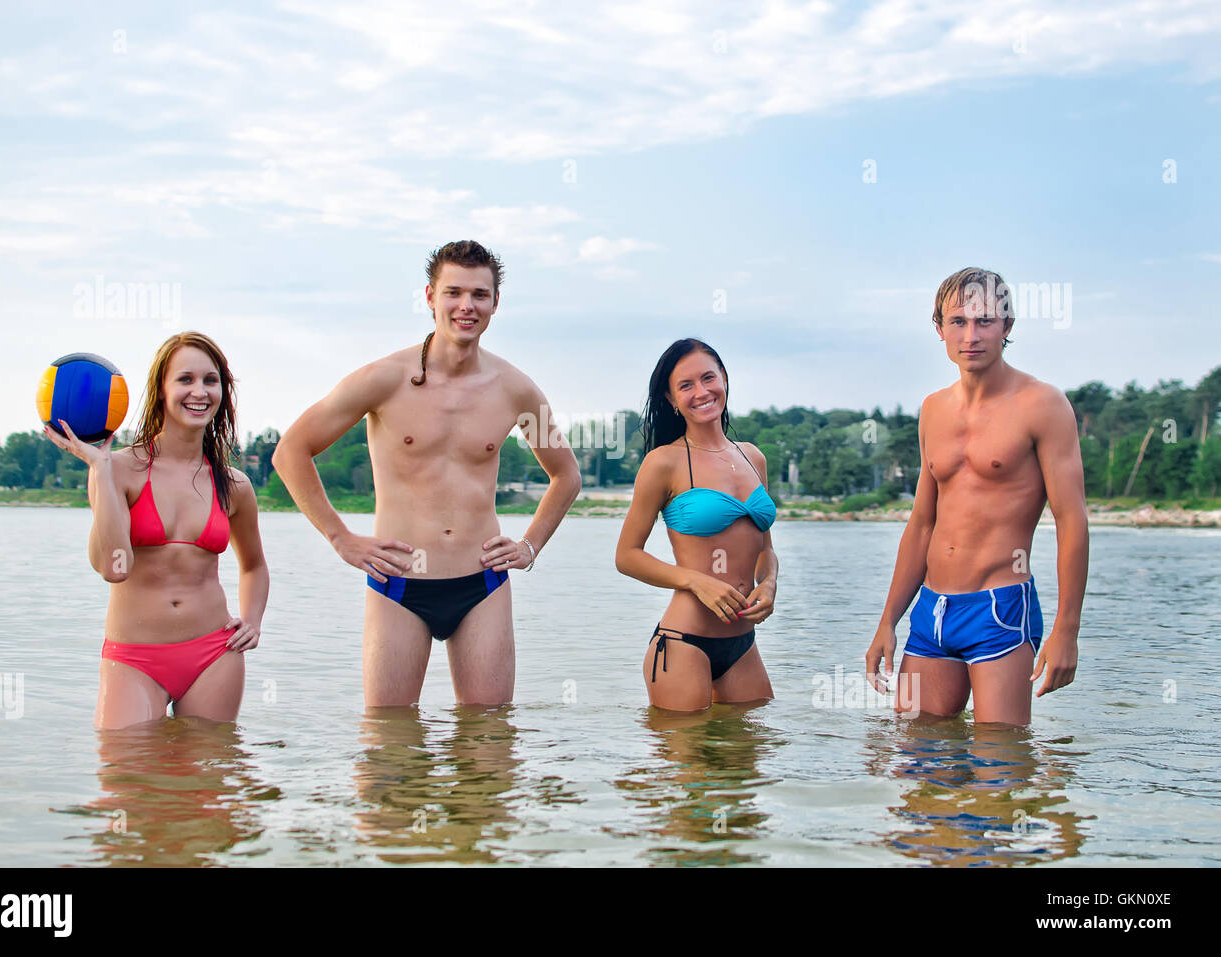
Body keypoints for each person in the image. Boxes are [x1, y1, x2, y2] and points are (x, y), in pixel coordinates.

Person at [272, 240, 580, 708]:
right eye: (454, 292)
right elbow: (291, 451)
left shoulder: (515, 390)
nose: (466, 306)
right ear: (430, 297)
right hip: (398, 584)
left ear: (495, 303)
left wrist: (529, 545)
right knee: (388, 750)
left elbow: (566, 475)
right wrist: (341, 538)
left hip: (482, 585)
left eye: (480, 294)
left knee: (487, 745)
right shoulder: (384, 379)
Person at [865, 268, 1088, 725]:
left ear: (1007, 326)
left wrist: (1067, 628)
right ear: (939, 328)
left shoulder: (1042, 404)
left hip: (1000, 608)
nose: (971, 335)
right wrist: (889, 619)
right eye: (958, 322)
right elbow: (922, 522)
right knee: (918, 766)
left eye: (985, 320)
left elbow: (1072, 520)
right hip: (931, 610)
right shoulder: (932, 409)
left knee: (1000, 771)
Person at [45, 332, 268, 729]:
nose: (199, 391)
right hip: (135, 657)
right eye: (185, 379)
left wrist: (252, 621)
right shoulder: (117, 468)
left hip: (214, 656)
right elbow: (112, 567)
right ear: (161, 390)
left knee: (206, 785)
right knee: (125, 780)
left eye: (210, 380)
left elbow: (253, 566)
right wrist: (100, 470)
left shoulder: (234, 486)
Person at [615, 338, 778, 712]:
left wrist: (768, 583)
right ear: (672, 400)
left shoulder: (753, 457)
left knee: (753, 768)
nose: (701, 392)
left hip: (743, 645)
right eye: (685, 385)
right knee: (687, 770)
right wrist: (696, 580)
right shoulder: (663, 463)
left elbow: (765, 549)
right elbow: (626, 556)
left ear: (724, 378)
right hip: (683, 642)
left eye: (708, 378)